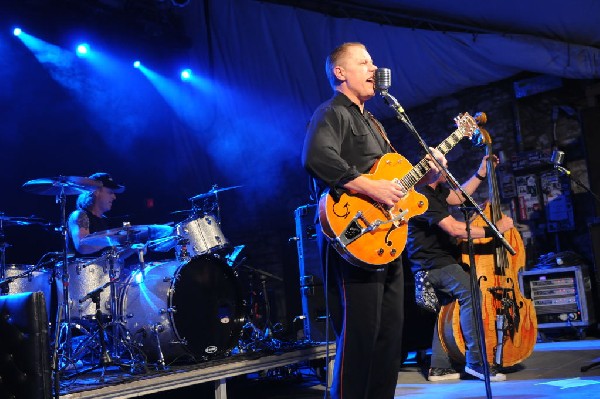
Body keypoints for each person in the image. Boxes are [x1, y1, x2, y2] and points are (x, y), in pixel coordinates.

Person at [302, 42, 446, 399]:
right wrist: (371, 187)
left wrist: (426, 178)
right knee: (361, 333)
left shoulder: (374, 122)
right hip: (355, 235)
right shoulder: (331, 112)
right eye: (363, 62)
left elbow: (394, 181)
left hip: (386, 237)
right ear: (340, 72)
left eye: (373, 61)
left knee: (389, 333)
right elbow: (316, 157)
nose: (373, 67)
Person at [406, 155, 513, 382]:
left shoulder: (435, 192)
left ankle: (440, 366)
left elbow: (459, 196)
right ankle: (476, 363)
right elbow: (455, 229)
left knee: (447, 307)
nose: (447, 168)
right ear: (432, 170)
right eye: (444, 166)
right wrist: (494, 230)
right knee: (471, 292)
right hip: (432, 264)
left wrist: (481, 172)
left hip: (435, 262)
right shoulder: (421, 195)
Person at [68, 172, 126, 257]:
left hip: (103, 269)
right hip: (81, 269)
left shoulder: (104, 219)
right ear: (96, 191)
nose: (114, 197)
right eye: (110, 192)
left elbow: (115, 256)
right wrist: (113, 239)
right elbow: (83, 246)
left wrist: (133, 249)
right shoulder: (80, 215)